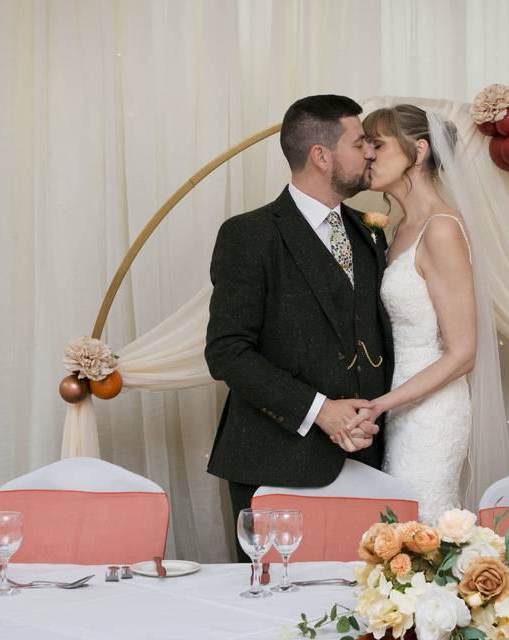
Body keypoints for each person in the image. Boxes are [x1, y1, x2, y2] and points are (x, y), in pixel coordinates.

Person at [204, 94, 394, 561]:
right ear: (321, 155)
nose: (370, 152)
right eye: (359, 143)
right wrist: (320, 411)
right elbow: (227, 350)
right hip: (274, 458)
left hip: (367, 456)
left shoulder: (370, 231)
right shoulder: (249, 235)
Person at [334, 105, 477, 523]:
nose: (368, 155)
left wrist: (380, 404)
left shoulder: (442, 228)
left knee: (421, 527)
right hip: (398, 402)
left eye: (377, 144)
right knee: (392, 531)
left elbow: (463, 352)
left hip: (430, 412)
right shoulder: (397, 229)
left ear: (418, 152)